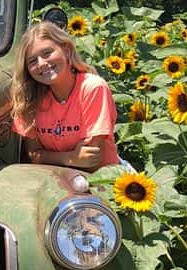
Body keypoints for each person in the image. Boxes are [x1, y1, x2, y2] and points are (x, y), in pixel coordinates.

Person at [10, 21, 120, 170]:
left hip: (99, 181)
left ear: (66, 50)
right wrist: (70, 158)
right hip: (53, 179)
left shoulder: (92, 88)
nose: (41, 63)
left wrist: (49, 157)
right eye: (32, 61)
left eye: (47, 53)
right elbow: (33, 155)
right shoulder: (30, 99)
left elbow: (90, 159)